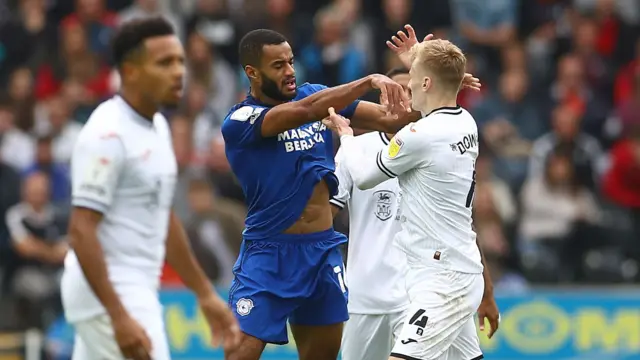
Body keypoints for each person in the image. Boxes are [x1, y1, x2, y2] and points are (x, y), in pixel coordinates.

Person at [221, 29, 480, 360]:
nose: (289, 71)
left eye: (290, 61)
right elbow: (305, 112)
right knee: (242, 352)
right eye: (277, 65)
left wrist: (442, 87)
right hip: (269, 254)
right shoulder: (240, 119)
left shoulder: (316, 94)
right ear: (252, 73)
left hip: (321, 252)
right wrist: (368, 80)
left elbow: (392, 120)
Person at [60, 17, 240, 360]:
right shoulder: (107, 134)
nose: (178, 73)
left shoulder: (157, 125)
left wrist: (204, 293)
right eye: (164, 63)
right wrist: (118, 316)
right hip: (113, 294)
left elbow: (161, 217)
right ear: (130, 72)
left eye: (180, 62)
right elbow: (81, 232)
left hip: (132, 289)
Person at [324, 28, 500, 360]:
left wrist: (346, 136)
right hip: (454, 272)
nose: (406, 90)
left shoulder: (418, 137)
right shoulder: (466, 122)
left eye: (413, 80)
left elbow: (363, 176)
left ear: (426, 84)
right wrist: (427, 60)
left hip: (442, 282)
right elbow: (434, 93)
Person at [330, 67, 410, 360]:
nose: (403, 99)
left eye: (411, 92)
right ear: (381, 100)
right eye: (395, 91)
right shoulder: (355, 149)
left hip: (415, 297)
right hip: (364, 296)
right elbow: (326, 212)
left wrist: (485, 288)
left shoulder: (432, 148)